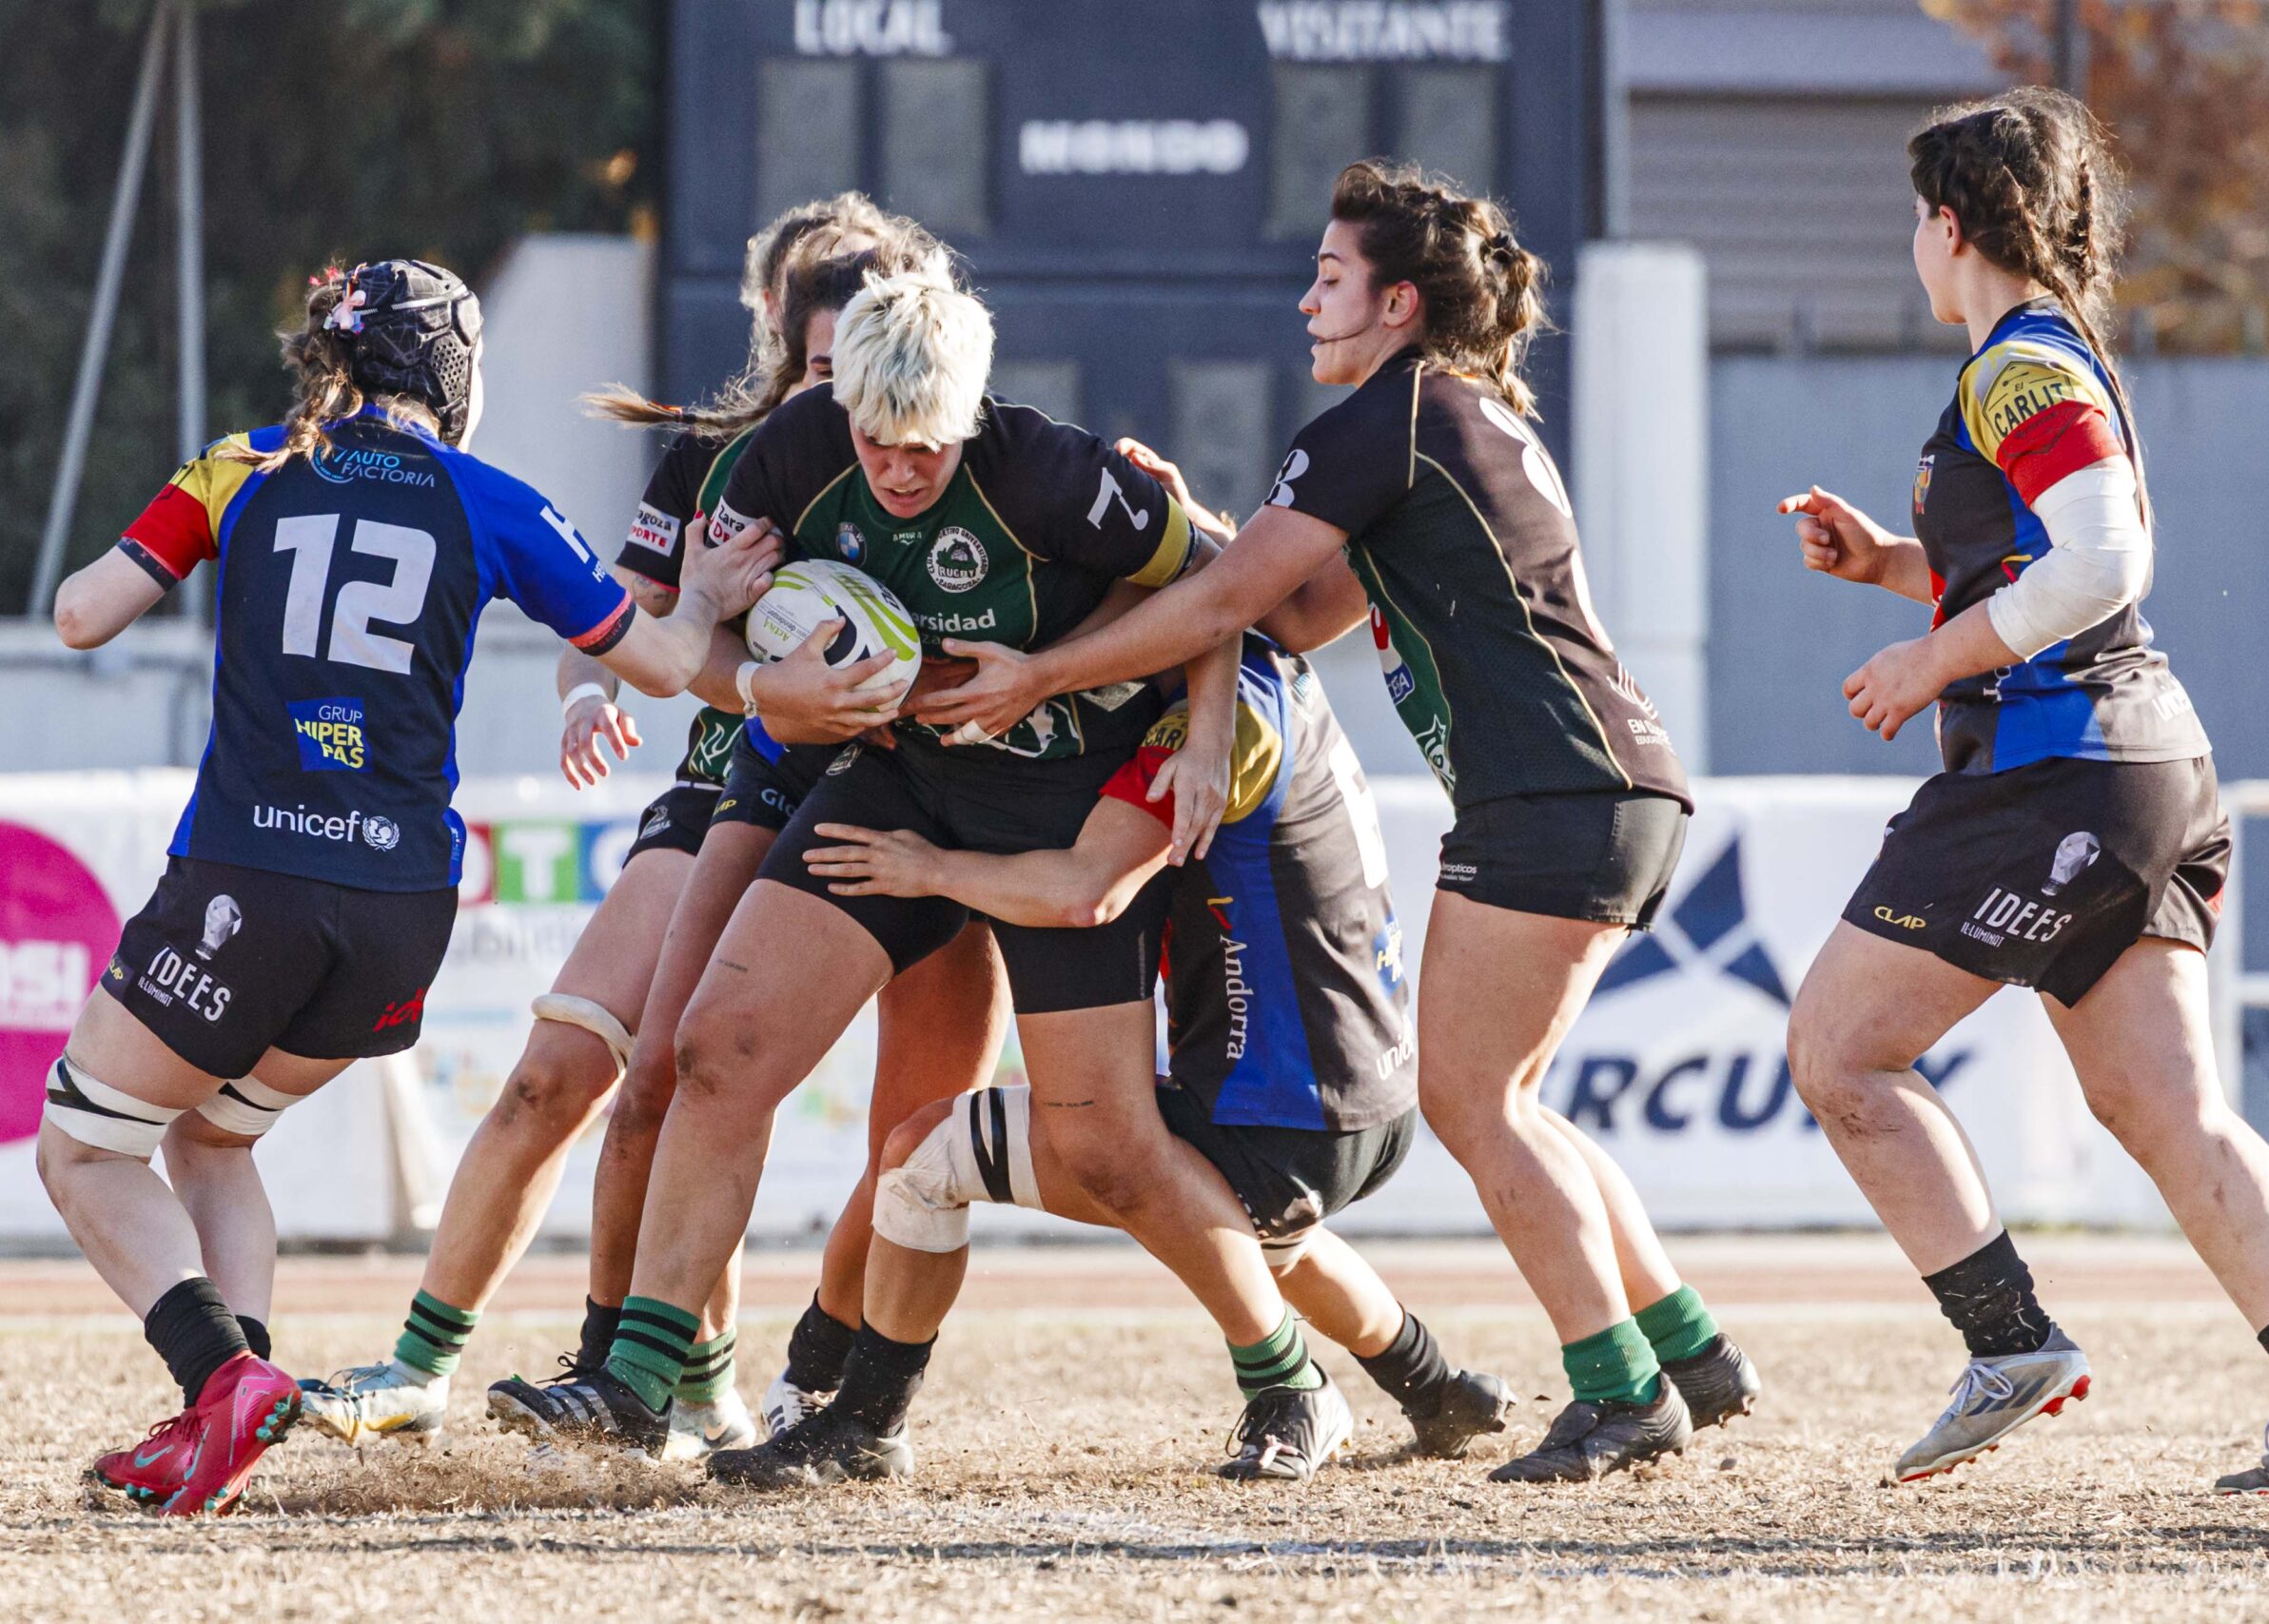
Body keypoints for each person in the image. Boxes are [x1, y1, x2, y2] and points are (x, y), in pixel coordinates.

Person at [915, 160, 1762, 1484]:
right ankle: (1691, 1351)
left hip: (1557, 792)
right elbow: (1292, 617)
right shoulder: (1452, 412)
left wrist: (1035, 672)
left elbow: (1215, 605)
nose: (1305, 300)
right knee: (1516, 1099)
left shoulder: (1390, 414)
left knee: (1477, 1105)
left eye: (1328, 277)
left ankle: (1618, 1389)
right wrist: (1202, 531)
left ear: (1398, 302)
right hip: (1612, 784)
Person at [484, 271, 1344, 1474]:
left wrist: (1202, 737)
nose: (897, 471)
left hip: (1059, 802)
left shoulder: (1053, 472)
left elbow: (1218, 586)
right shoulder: (786, 454)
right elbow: (693, 635)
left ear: (974, 408)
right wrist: (763, 688)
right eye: (877, 444)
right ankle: (640, 1382)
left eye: (925, 451)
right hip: (900, 777)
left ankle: (1287, 1379)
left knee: (1103, 1142)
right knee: (715, 1048)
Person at [41, 259, 774, 1516]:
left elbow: (78, 616)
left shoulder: (246, 461)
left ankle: (222, 1375)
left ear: (335, 359)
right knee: (214, 1135)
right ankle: (228, 1413)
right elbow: (656, 662)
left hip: (248, 876)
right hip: (399, 917)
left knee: (83, 1148)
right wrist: (703, 592)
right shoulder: (497, 499)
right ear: (457, 376)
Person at [1775, 88, 2269, 1492]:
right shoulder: (2045, 358)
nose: (1913, 245)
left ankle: (2008, 1340)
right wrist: (1898, 559)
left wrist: (1928, 649)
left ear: (1950, 224)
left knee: (1837, 1050)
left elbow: (2106, 561)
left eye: (1915, 221)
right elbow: (2048, 562)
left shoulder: (2017, 366)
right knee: (2167, 1109)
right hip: (2142, 769)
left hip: (2057, 771)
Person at [300, 207, 994, 1463]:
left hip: (919, 807)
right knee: (603, 1072)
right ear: (788, 345)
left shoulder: (973, 468)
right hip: (736, 789)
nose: (846, 388)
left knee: (911, 1138)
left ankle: (798, 1380)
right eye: (821, 357)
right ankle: (501, 1368)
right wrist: (598, 697)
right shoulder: (734, 462)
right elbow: (629, 627)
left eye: (866, 358)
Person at [705, 636, 1515, 1485]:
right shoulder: (1279, 678)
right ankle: (1433, 1385)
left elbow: (1082, 890)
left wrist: (930, 866)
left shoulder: (1211, 724)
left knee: (921, 1156)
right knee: (1247, 1227)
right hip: (1362, 1101)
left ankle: (870, 1423)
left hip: (1273, 1114)